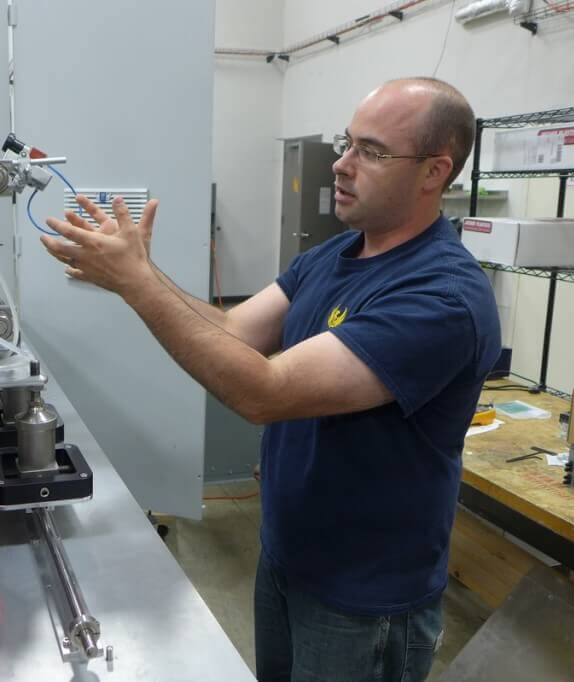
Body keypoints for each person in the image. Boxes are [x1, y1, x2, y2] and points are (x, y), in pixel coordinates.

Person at [39, 77, 501, 682]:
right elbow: (233, 331)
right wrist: (141, 275)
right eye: (346, 143)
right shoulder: (334, 256)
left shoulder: (441, 295)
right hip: (288, 558)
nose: (341, 164)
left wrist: (137, 283)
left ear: (434, 172)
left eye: (371, 151)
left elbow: (264, 391)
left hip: (365, 596)